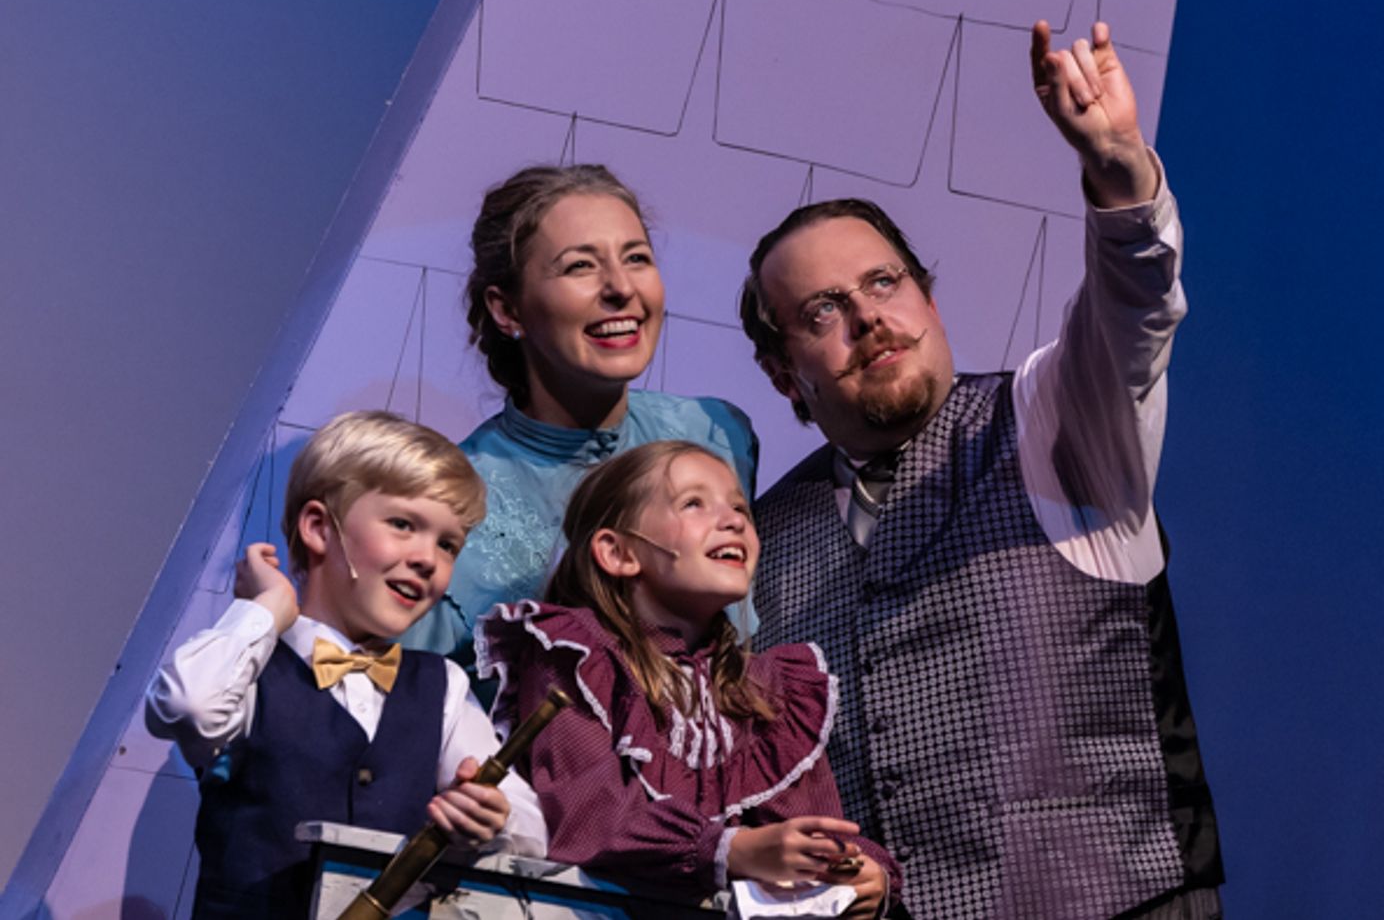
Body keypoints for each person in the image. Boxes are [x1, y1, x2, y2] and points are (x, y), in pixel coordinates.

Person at [737, 22, 1221, 919]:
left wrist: (1117, 169)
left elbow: (1136, 306)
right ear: (781, 374)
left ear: (930, 298)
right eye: (824, 310)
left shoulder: (1056, 418)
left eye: (885, 284)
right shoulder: (759, 540)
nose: (869, 318)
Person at [145, 411, 546, 919]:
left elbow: (531, 831)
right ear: (317, 528)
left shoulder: (440, 685)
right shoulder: (252, 666)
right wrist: (266, 608)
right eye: (403, 525)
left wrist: (493, 816)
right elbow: (186, 708)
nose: (428, 558)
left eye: (448, 545)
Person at [477, 441, 899, 918]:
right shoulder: (575, 654)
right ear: (618, 552)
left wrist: (858, 870)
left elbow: (809, 825)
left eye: (740, 506)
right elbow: (587, 820)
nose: (735, 519)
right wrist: (730, 850)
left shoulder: (770, 690)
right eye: (694, 503)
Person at [399, 165, 758, 688]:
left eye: (636, 258)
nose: (620, 289)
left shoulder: (717, 432)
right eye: (580, 267)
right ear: (507, 309)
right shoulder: (449, 500)